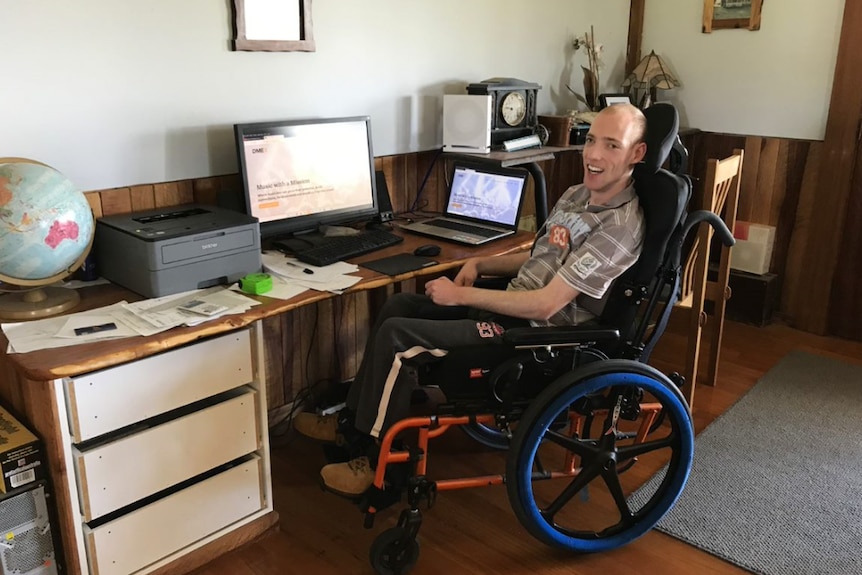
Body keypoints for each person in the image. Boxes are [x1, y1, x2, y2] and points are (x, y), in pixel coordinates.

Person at [294, 103, 648, 497]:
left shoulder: (619, 226)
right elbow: (539, 257)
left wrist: (460, 293)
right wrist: (480, 264)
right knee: (398, 307)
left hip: (536, 339)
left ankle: (374, 460)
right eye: (593, 140)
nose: (595, 155)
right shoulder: (577, 194)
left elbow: (546, 305)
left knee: (399, 338)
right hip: (514, 306)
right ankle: (350, 423)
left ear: (637, 154)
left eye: (612, 146)